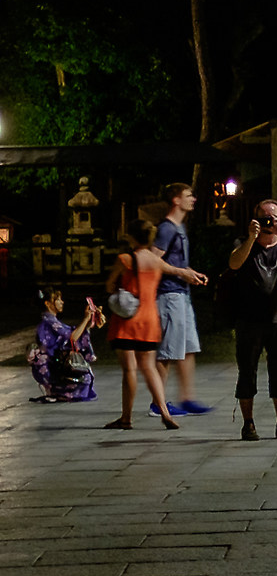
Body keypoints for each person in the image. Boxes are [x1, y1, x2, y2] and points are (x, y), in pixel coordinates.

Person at [226, 199, 277, 441]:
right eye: (264, 217)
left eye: (273, 216)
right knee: (247, 372)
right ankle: (248, 424)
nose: (268, 221)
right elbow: (233, 264)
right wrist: (251, 238)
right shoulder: (243, 244)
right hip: (249, 320)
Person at [102, 221, 180, 431]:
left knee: (130, 369)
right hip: (149, 319)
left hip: (127, 319)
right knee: (149, 367)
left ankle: (126, 417)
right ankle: (164, 411)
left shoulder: (125, 259)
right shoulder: (155, 261)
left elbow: (110, 285)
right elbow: (174, 270)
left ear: (132, 237)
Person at [151, 181, 213, 416]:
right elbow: (154, 259)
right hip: (169, 295)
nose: (193, 199)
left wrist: (190, 273)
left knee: (187, 348)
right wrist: (181, 273)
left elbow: (174, 262)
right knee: (168, 351)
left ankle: (187, 398)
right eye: (189, 195)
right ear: (176, 200)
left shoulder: (180, 228)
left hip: (182, 293)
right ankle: (158, 403)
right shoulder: (166, 228)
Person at [28, 289, 101, 403]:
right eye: (58, 299)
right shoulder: (49, 322)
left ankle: (56, 390)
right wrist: (86, 318)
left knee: (85, 377)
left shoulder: (51, 321)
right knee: (83, 378)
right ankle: (55, 389)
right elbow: (72, 337)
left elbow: (72, 334)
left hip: (57, 362)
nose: (62, 302)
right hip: (52, 365)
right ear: (47, 303)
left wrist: (88, 323)